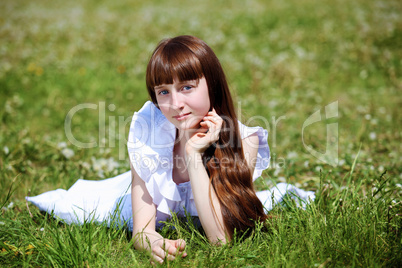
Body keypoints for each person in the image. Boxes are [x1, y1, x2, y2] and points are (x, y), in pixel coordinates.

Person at [27, 35, 315, 264]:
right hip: (126, 197)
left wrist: (192, 154)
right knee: (78, 207)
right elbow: (141, 229)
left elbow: (220, 240)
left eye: (187, 87)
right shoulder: (148, 128)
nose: (174, 104)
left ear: (212, 85)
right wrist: (151, 239)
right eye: (163, 91)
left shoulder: (245, 141)